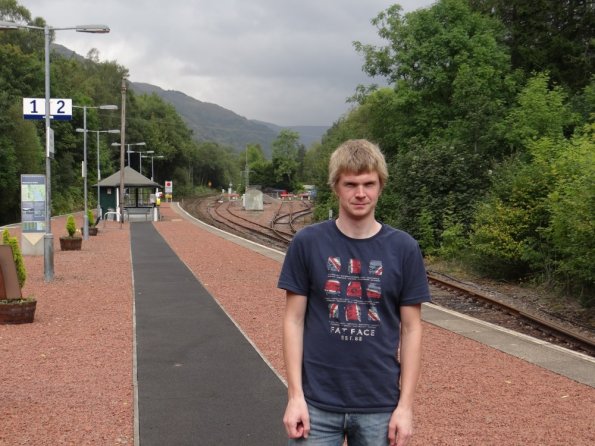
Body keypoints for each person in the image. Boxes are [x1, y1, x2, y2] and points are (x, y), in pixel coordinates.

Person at [278, 139, 431, 446]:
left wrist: (406, 406)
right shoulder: (308, 243)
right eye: (350, 184)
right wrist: (295, 396)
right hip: (317, 403)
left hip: (380, 404)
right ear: (335, 186)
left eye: (368, 184)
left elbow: (412, 329)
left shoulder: (404, 249)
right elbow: (293, 321)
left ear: (381, 186)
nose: (360, 194)